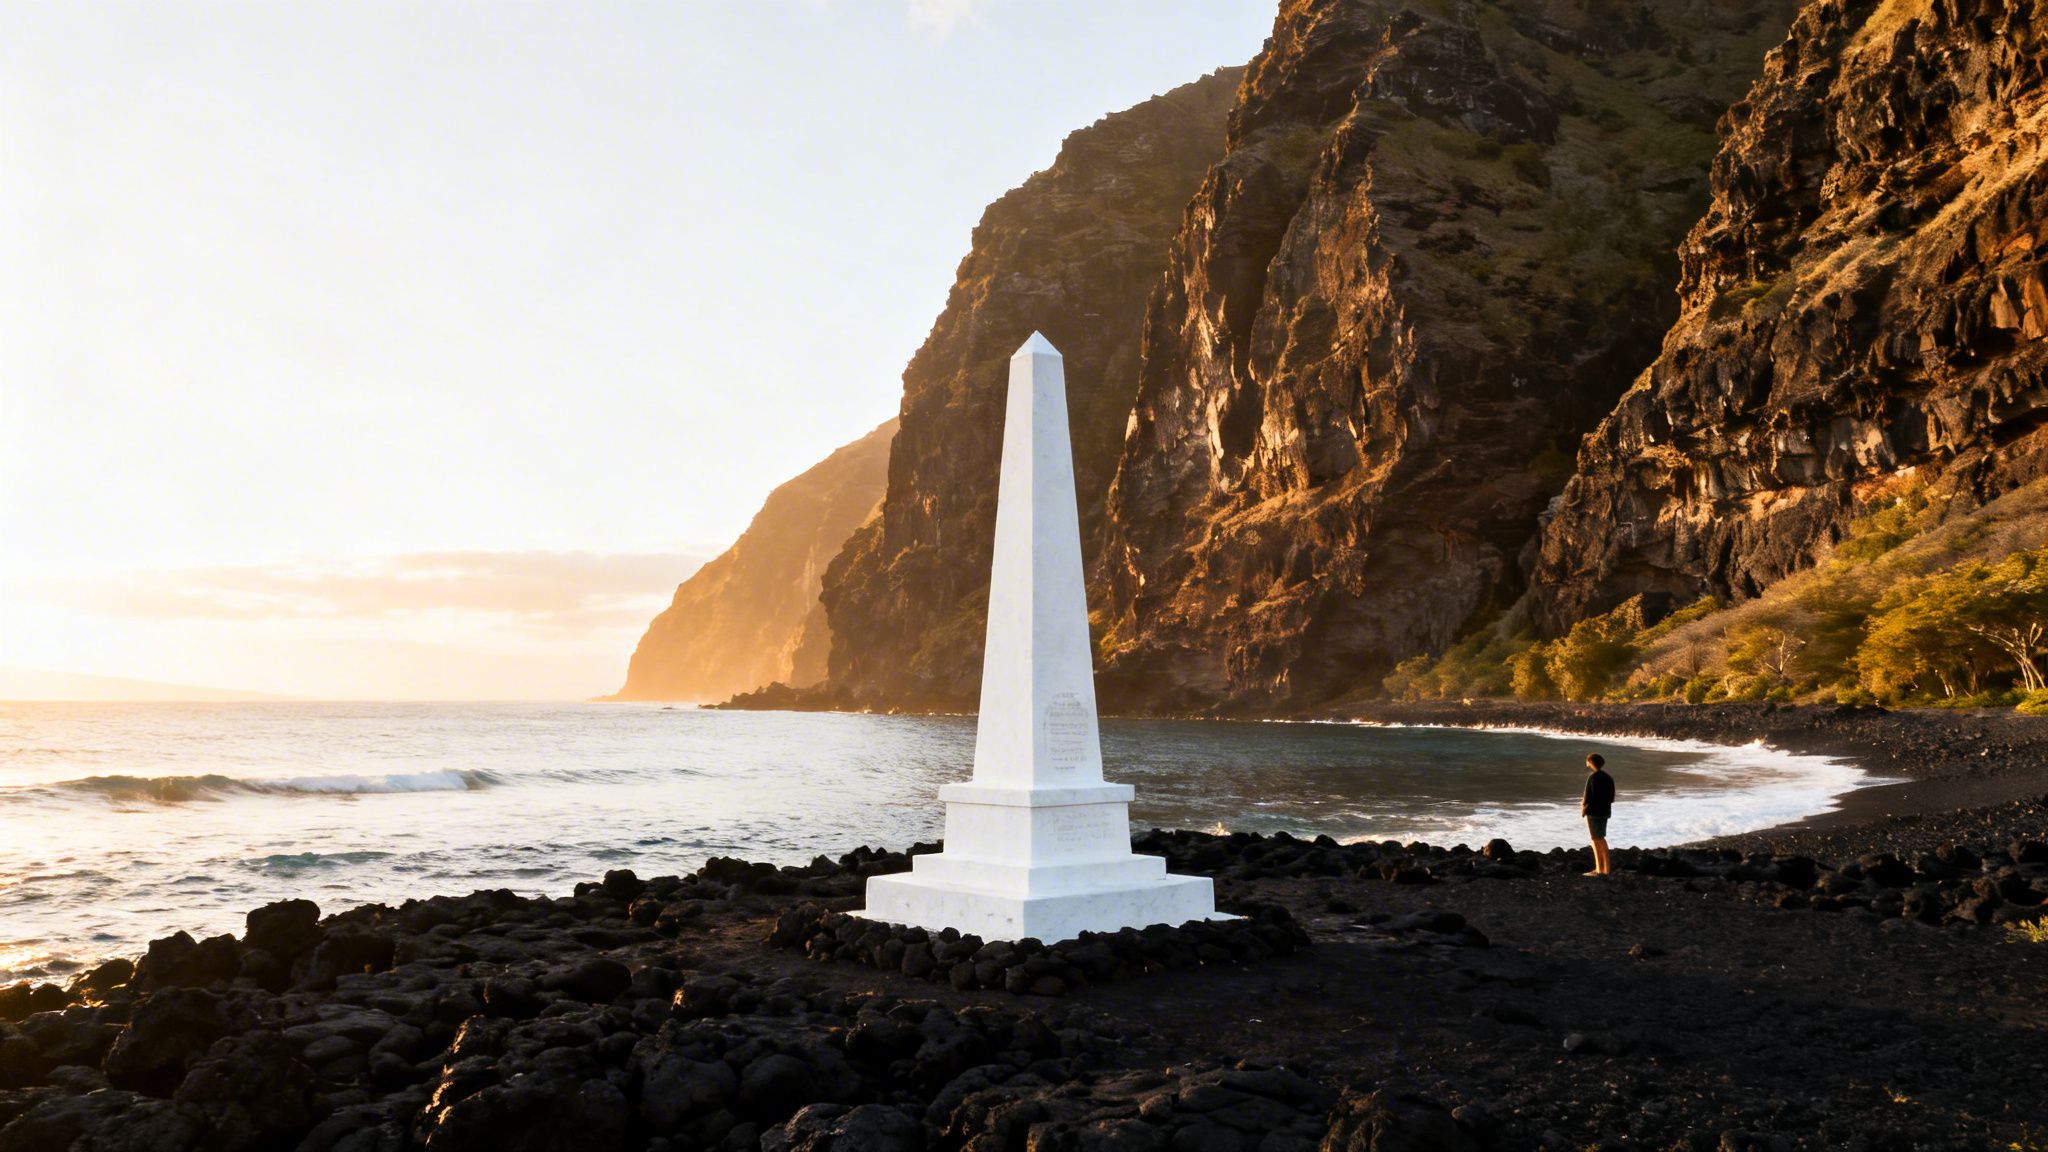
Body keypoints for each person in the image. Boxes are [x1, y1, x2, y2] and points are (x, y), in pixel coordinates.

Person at [1581, 753, 1615, 877]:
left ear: (1591, 762)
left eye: (1588, 761)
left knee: (1597, 839)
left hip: (1594, 813)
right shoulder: (1608, 777)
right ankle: (1603, 869)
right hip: (1605, 812)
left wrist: (1584, 808)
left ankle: (1601, 870)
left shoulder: (1593, 777)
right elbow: (1611, 798)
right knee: (1599, 838)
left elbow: (1590, 797)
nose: (1586, 763)